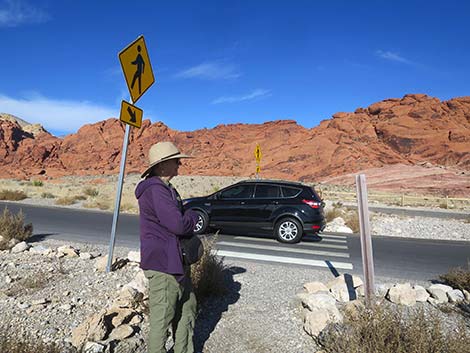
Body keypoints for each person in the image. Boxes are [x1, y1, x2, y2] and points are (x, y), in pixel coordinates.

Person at [135, 141, 199, 353]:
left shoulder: (165, 189)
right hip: (163, 264)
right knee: (162, 321)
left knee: (187, 310)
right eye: (175, 161)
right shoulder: (156, 190)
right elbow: (177, 224)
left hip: (175, 262)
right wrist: (192, 216)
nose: (180, 164)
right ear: (162, 166)